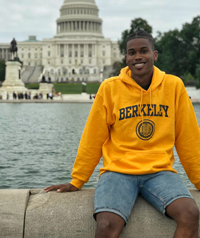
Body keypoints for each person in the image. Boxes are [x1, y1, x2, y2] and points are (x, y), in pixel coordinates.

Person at [44, 31, 200, 238]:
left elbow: (187, 136)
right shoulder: (109, 88)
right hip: (117, 172)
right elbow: (93, 136)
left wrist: (198, 178)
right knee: (106, 226)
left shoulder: (173, 86)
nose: (137, 57)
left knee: (190, 214)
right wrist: (78, 179)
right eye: (131, 52)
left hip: (160, 171)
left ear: (155, 55)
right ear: (126, 58)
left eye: (143, 51)